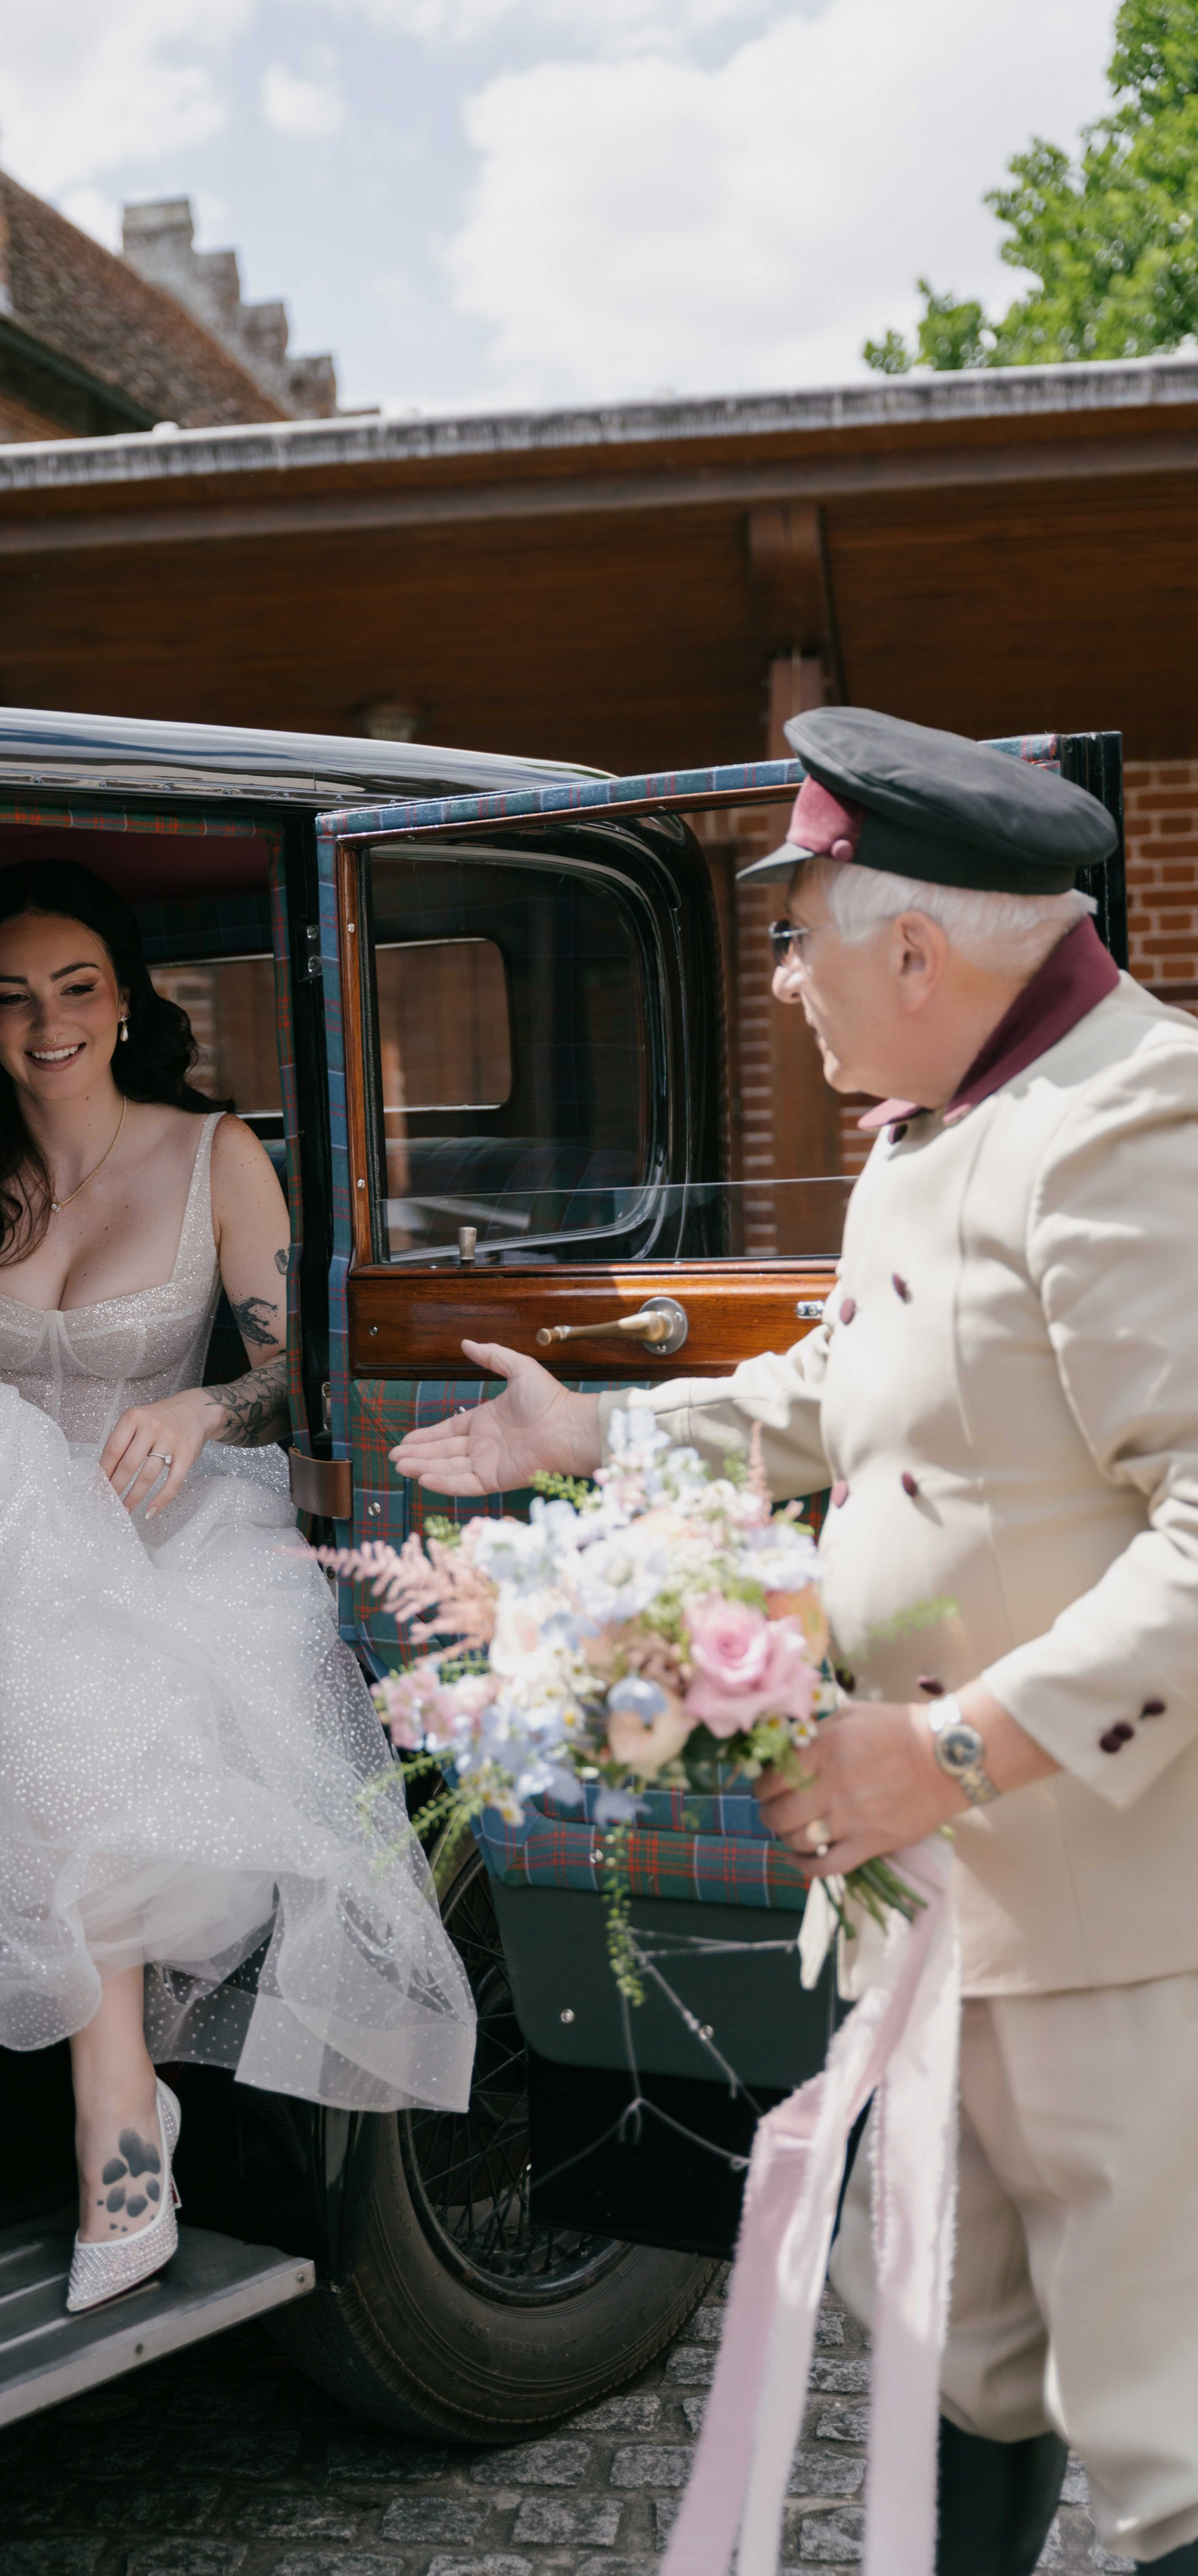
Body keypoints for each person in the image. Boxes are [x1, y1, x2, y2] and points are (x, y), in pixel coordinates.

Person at [392, 706, 1198, 2576]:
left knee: (1166, 2433)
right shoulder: (945, 1130)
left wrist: (954, 1745)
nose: (778, 982)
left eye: (797, 930)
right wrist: (593, 1434)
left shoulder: (1135, 1122)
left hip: (1123, 1921)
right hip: (951, 1909)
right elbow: (859, 1390)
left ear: (916, 949)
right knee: (957, 2363)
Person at [0, 859, 476, 2314]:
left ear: (121, 1002)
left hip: (158, 1532)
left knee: (66, 1654)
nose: (43, 1022)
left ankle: (119, 2117)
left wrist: (201, 1412)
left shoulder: (209, 1152)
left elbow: (298, 1361)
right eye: (8, 998)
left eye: (72, 988)